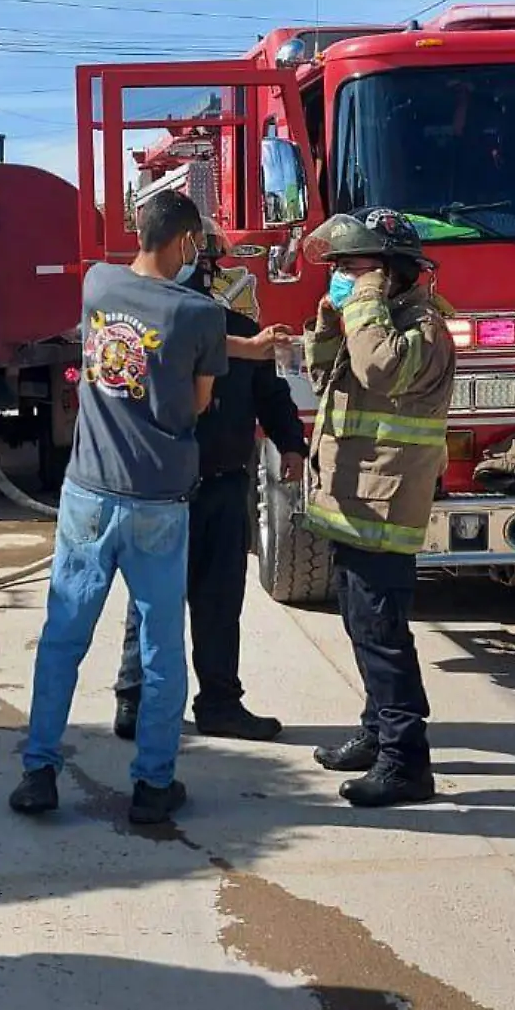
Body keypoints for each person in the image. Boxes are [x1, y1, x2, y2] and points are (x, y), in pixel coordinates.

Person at [9, 190, 289, 826]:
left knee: (62, 637)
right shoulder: (198, 314)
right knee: (164, 647)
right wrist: (237, 348)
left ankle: (39, 772)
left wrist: (248, 346)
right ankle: (153, 787)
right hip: (157, 503)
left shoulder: (97, 285)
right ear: (188, 244)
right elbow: (195, 402)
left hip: (87, 495)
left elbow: (168, 340)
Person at [112, 220, 307, 743]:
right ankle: (135, 699)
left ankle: (218, 703)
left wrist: (291, 443)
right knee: (154, 600)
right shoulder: (148, 331)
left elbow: (271, 394)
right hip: (163, 490)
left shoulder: (243, 329)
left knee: (216, 602)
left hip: (221, 487)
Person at [299, 208, 455, 809]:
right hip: (353, 499)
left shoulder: (423, 328)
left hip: (385, 506)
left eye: (352, 267)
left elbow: (378, 369)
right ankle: (375, 731)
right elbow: (334, 382)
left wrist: (360, 306)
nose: (340, 277)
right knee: (360, 624)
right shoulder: (379, 320)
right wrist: (329, 326)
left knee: (383, 633)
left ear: (389, 272)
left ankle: (405, 762)